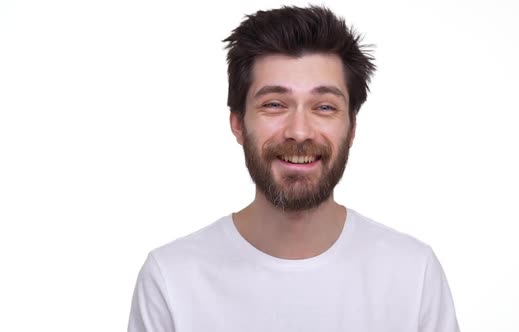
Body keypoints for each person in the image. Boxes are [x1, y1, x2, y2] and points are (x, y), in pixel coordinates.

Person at [128, 5, 460, 332]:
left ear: (352, 128)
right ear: (238, 124)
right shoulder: (171, 279)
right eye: (274, 104)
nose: (299, 131)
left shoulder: (413, 274)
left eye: (325, 107)